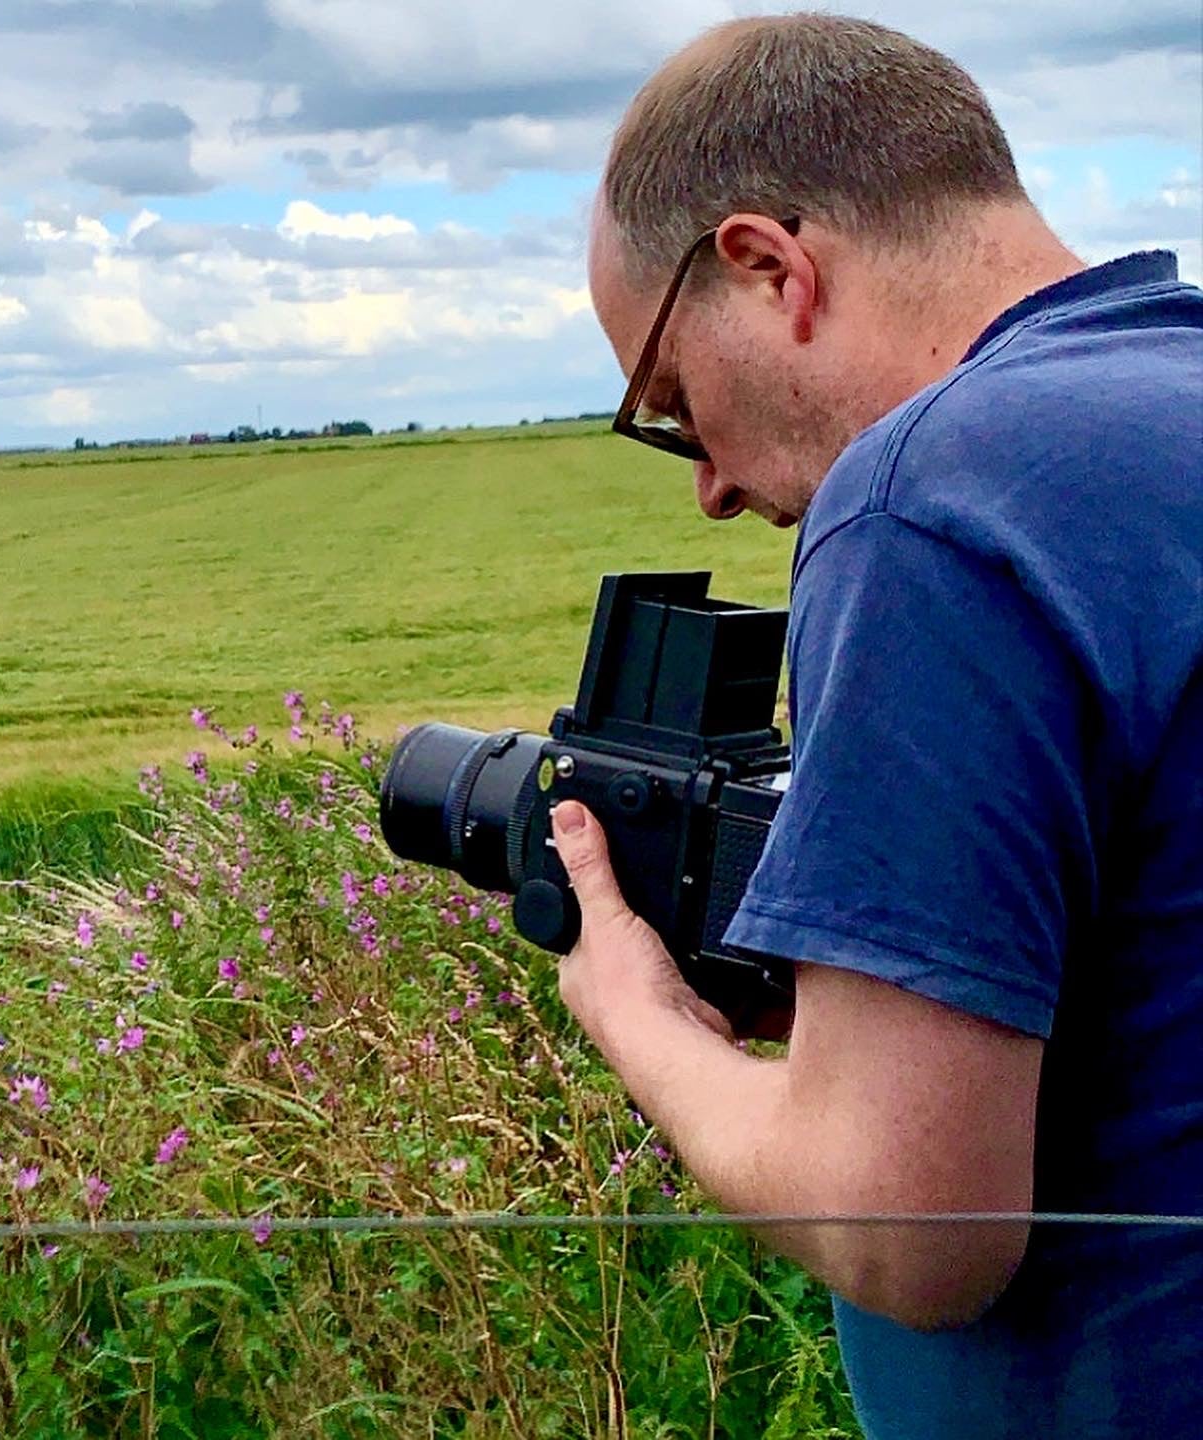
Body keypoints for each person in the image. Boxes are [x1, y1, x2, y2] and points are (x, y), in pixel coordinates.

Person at [551, 12, 1203, 1438]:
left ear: (769, 269)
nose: (708, 486)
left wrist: (639, 1014)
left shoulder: (929, 497)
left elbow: (917, 1225)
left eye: (672, 404)